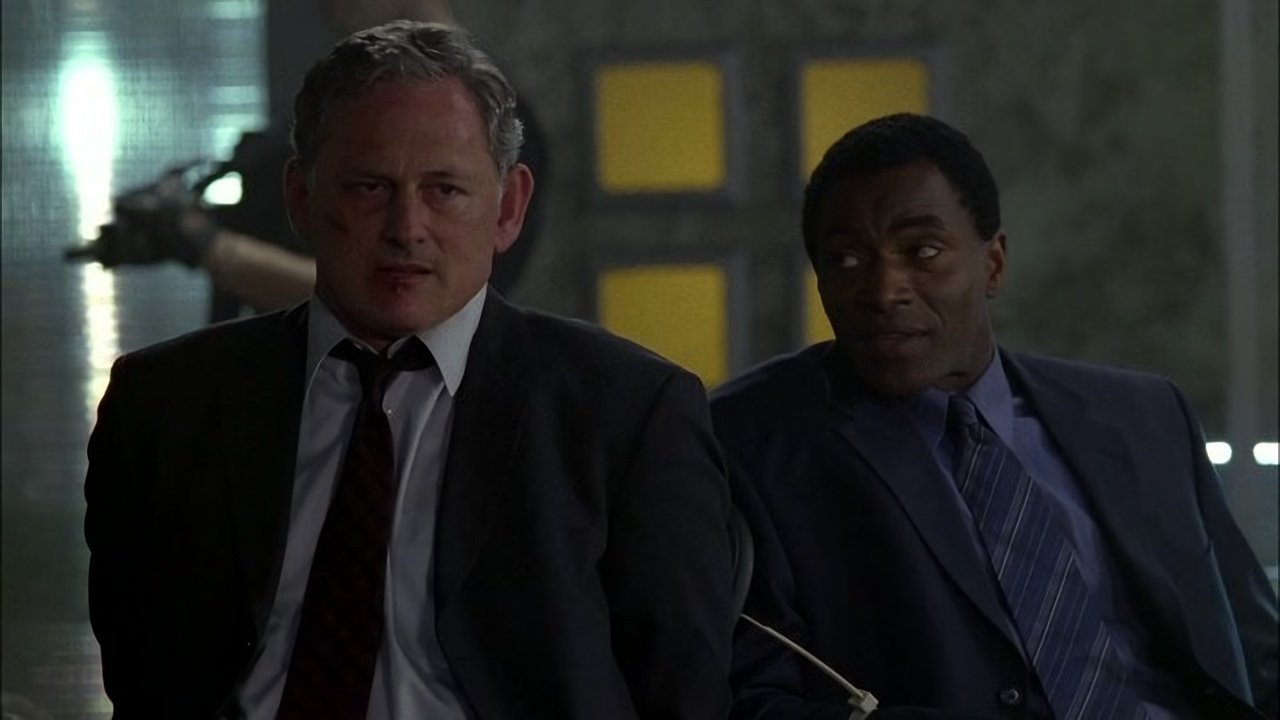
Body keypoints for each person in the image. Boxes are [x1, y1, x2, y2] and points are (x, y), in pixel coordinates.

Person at [84, 21, 735, 719]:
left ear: (509, 208)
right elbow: (138, 672)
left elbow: (683, 691)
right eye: (370, 187)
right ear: (301, 198)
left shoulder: (626, 413)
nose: (406, 228)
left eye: (445, 191)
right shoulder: (165, 404)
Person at [713, 113, 1278, 719]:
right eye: (847, 259)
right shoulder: (751, 444)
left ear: (994, 263)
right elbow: (748, 703)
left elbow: (1256, 654)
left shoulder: (1144, 416)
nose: (883, 291)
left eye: (922, 251)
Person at [69, 0, 549, 319]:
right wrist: (189, 232)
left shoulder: (495, 125)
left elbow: (423, 304)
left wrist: (211, 248)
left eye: (442, 188)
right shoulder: (334, 109)